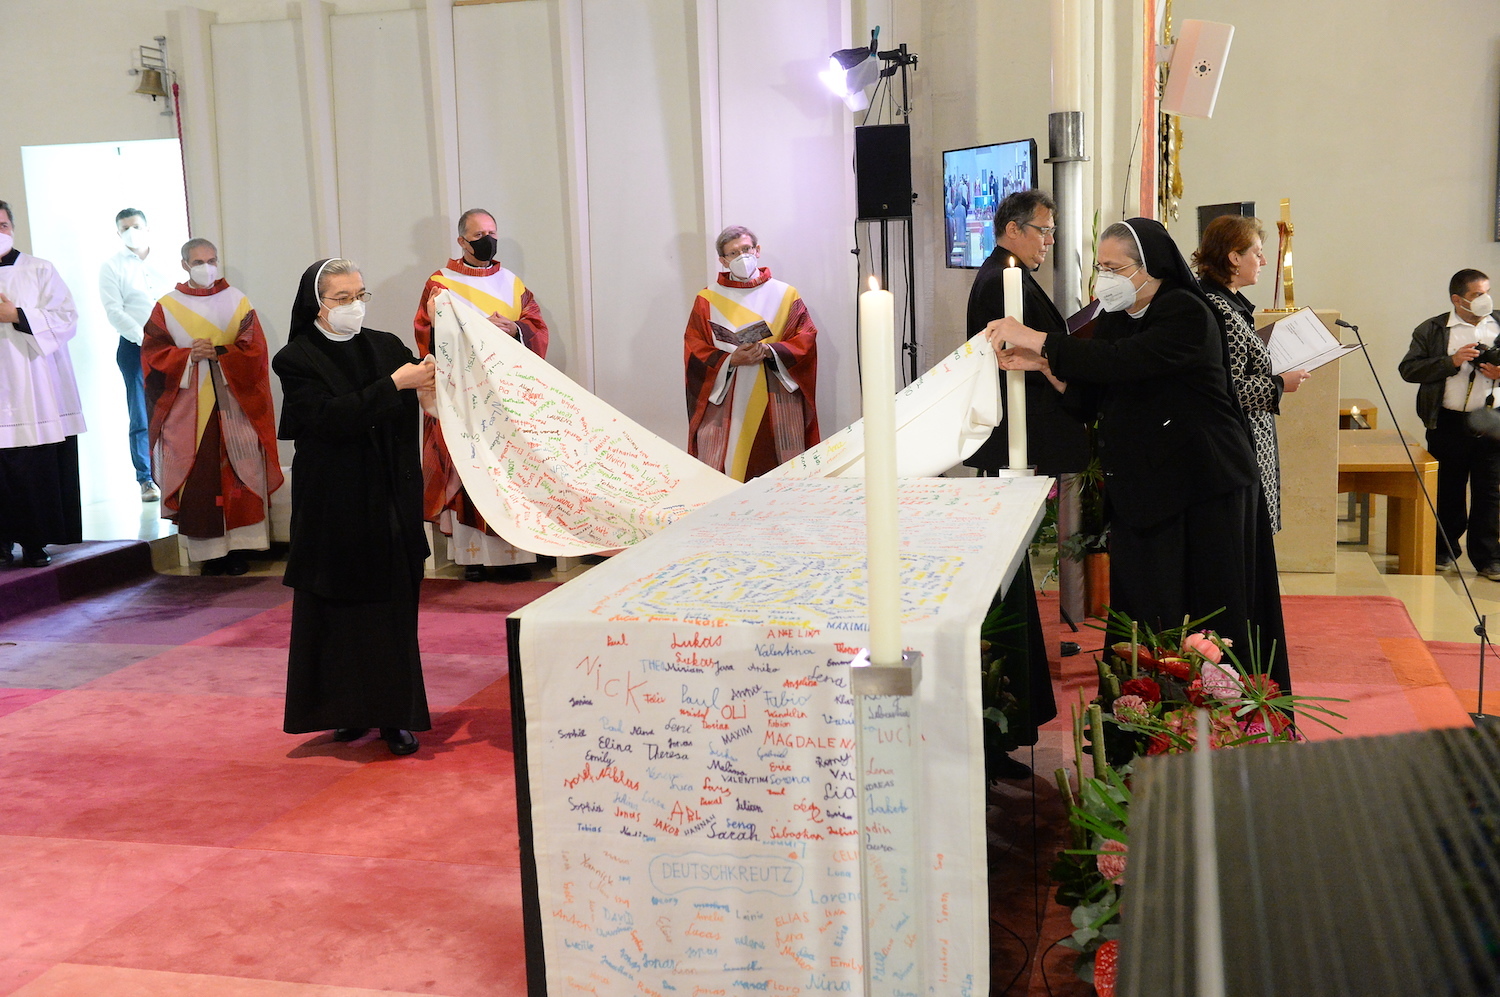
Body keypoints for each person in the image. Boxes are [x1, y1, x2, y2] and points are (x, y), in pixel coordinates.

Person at [989, 217, 1290, 693]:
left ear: (1151, 267)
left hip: (1205, 485)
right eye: (1101, 266)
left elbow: (1124, 361)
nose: (1104, 277)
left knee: (1211, 612)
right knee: (1147, 609)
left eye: (1115, 267)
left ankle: (1220, 716)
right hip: (1148, 488)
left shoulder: (1186, 311)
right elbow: (1099, 391)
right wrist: (1045, 366)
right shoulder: (1118, 316)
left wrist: (1038, 339)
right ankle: (1144, 714)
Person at [273, 259, 435, 756]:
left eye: (360, 295)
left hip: (388, 499)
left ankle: (394, 716)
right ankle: (344, 711)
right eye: (342, 298)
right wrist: (394, 386)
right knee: (337, 614)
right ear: (317, 303)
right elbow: (326, 418)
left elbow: (424, 387)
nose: (354, 306)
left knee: (391, 614)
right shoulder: (295, 358)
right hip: (334, 506)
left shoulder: (387, 346)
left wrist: (432, 368)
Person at [413, 208, 549, 582]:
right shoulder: (441, 283)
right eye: (478, 235)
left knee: (510, 471)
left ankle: (517, 555)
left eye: (491, 232)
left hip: (507, 394)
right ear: (461, 241)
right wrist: (475, 330)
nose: (487, 240)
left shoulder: (512, 283)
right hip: (465, 394)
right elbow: (427, 334)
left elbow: (536, 326)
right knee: (471, 468)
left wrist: (516, 330)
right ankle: (472, 557)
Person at [141, 239, 283, 575]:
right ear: (184, 265)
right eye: (198, 262)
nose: (207, 267)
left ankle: (240, 549)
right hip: (188, 409)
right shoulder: (166, 306)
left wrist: (220, 353)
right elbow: (152, 355)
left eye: (212, 260)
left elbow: (255, 350)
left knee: (238, 473)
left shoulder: (237, 301)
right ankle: (209, 553)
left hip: (234, 404)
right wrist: (187, 355)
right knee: (200, 478)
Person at [1193, 215, 1310, 534]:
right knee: (1246, 533)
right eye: (1257, 253)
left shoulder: (1226, 304)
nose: (1263, 261)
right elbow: (1228, 388)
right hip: (1237, 441)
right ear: (1234, 257)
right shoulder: (1220, 310)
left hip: (1247, 436)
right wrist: (1280, 384)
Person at [963, 189, 1090, 478]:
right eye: (1044, 230)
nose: (1050, 240)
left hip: (1033, 432)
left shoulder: (1008, 273)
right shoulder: (1000, 279)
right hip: (1026, 436)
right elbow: (1011, 358)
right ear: (1013, 229)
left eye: (1052, 231)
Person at [685, 225, 819, 481]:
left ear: (757, 250)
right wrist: (729, 359)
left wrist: (770, 351)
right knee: (727, 467)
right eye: (733, 253)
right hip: (727, 396)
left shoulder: (785, 294)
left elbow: (806, 338)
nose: (742, 256)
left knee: (780, 466)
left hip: (776, 393)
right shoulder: (707, 298)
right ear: (723, 260)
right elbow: (694, 346)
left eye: (746, 249)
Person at [1398, 268, 1500, 577]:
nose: (1485, 299)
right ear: (1457, 299)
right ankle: (1443, 550)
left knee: (1490, 492)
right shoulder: (1433, 329)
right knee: (1447, 488)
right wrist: (1451, 361)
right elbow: (1409, 370)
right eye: (1476, 294)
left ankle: (1488, 557)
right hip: (1448, 422)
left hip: (1493, 423)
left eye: (1487, 292)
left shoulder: (1498, 324)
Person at [0, 199, 85, 568]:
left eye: (3, 225)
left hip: (31, 385)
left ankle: (34, 542)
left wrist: (16, 314)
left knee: (31, 466)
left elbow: (66, 317)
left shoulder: (38, 269)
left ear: (13, 228)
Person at [99, 208, 174, 502]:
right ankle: (146, 479)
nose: (132, 232)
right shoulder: (112, 266)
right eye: (125, 228)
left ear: (147, 228)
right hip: (134, 347)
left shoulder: (165, 261)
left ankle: (176, 473)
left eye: (136, 226)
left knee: (174, 408)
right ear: (118, 233)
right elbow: (113, 311)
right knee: (141, 413)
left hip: (171, 344)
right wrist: (145, 338)